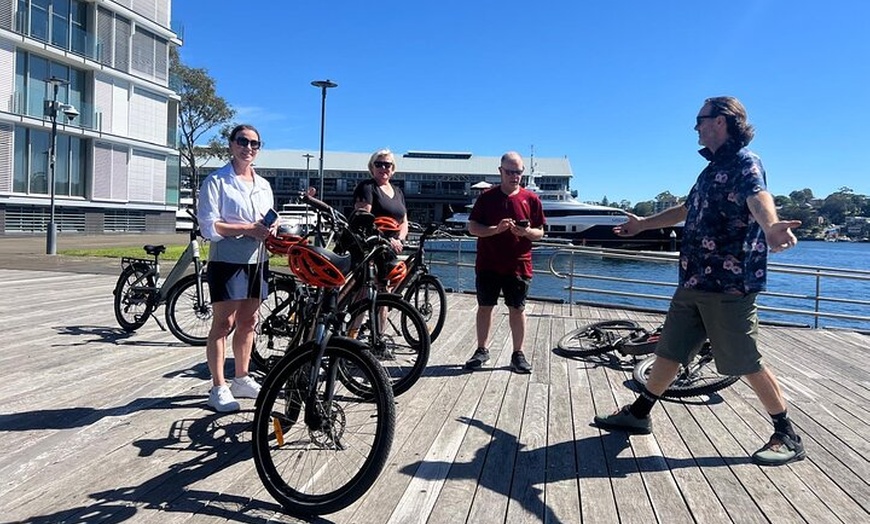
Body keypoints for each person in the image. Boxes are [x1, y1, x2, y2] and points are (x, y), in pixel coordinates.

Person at [592, 96, 805, 466]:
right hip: (693, 279)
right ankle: (639, 414)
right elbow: (686, 210)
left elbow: (759, 198)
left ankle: (786, 433)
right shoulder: (709, 171)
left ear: (721, 121)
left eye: (700, 120)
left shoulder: (745, 163)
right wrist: (642, 224)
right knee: (670, 351)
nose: (696, 128)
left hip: (729, 285)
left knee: (745, 360)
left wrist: (771, 226)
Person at [197, 124, 275, 412]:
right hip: (227, 260)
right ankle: (218, 386)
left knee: (249, 322)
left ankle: (241, 377)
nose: (249, 148)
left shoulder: (263, 185)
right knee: (223, 324)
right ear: (231, 144)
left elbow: (264, 222)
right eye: (243, 141)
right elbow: (209, 226)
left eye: (255, 143)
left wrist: (271, 228)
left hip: (258, 259)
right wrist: (248, 229)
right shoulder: (216, 181)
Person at [465, 151, 545, 374]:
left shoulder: (531, 199)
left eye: (518, 172)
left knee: (517, 309)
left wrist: (526, 231)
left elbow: (540, 232)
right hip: (488, 263)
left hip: (519, 265)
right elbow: (473, 228)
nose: (514, 176)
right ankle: (481, 350)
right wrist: (495, 229)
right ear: (500, 171)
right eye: (510, 171)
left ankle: (517, 354)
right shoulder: (486, 198)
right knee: (485, 307)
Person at [353, 149, 408, 252]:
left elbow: (404, 222)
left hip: (392, 249)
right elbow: (363, 220)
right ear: (372, 167)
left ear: (392, 168)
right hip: (371, 249)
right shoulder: (366, 187)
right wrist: (386, 239)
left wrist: (400, 240)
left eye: (387, 165)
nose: (383, 167)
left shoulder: (398, 192)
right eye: (378, 164)